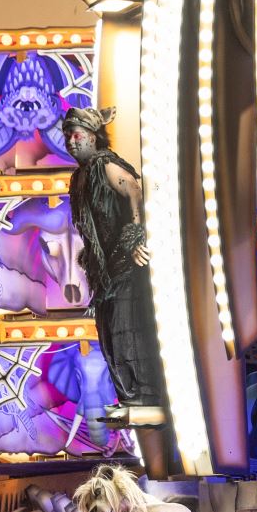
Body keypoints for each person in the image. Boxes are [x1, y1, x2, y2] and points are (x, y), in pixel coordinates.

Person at [61, 106, 164, 414]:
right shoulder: (80, 176)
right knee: (108, 333)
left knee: (126, 328)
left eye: (77, 136)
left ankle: (144, 396)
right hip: (106, 271)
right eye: (68, 136)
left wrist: (135, 237)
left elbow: (135, 189)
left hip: (125, 266)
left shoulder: (104, 164)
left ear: (93, 137)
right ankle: (130, 399)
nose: (71, 142)